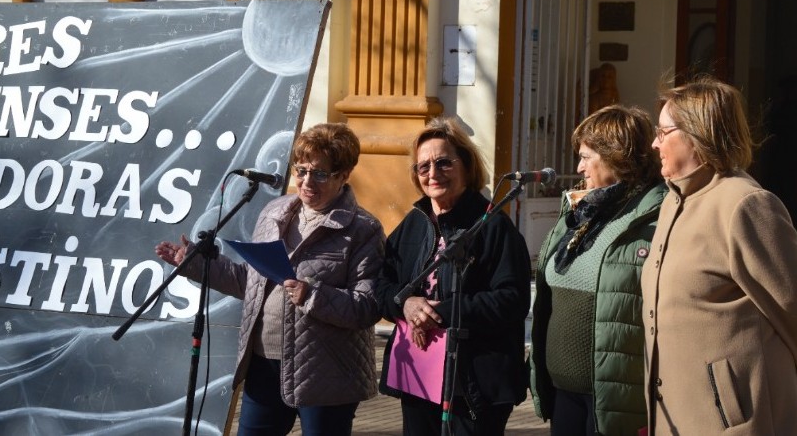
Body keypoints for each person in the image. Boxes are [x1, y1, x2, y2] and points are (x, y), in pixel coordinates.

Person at [155, 123, 385, 436]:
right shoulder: (275, 212)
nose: (306, 181)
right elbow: (248, 283)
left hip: (326, 373)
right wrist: (194, 264)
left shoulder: (362, 229)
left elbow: (368, 307)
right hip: (264, 364)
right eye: (301, 170)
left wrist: (311, 295)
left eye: (319, 174)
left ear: (343, 175)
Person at [641, 76, 797, 435]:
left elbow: (791, 309)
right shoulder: (670, 202)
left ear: (698, 133)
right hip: (674, 417)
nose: (654, 143)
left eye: (662, 132)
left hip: (733, 423)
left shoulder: (744, 205)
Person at [375, 116, 531, 435]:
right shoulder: (414, 223)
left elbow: (512, 301)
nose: (433, 174)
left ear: (466, 165)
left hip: (473, 380)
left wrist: (439, 313)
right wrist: (405, 305)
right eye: (423, 167)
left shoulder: (492, 226)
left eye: (443, 163)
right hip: (419, 373)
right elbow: (381, 286)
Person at [529, 104, 666, 435]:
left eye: (587, 156)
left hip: (614, 400)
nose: (578, 167)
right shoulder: (580, 211)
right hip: (564, 395)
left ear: (617, 155)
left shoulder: (654, 217)